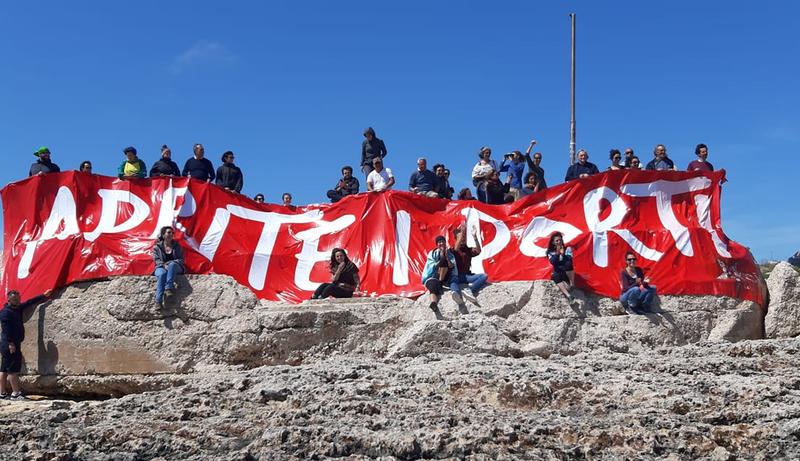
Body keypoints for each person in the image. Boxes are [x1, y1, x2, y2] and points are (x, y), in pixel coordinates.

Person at [0, 289, 54, 400]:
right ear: (9, 299)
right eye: (15, 299)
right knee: (12, 369)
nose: (17, 301)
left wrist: (43, 295)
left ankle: (2, 393)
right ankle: (15, 393)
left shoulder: (17, 308)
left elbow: (29, 302)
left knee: (4, 369)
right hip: (10, 344)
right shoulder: (5, 312)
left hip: (11, 343)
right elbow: (6, 329)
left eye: (18, 299)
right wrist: (11, 343)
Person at [421, 235, 460, 319]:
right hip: (433, 276)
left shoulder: (450, 254)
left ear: (445, 243)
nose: (441, 243)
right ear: (436, 244)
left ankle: (441, 282)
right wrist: (441, 256)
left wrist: (445, 256)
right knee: (432, 287)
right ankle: (433, 303)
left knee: (444, 262)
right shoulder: (432, 253)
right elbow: (432, 266)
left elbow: (451, 266)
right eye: (439, 242)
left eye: (443, 241)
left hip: (445, 277)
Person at [451, 224, 488, 303]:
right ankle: (456, 295)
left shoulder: (467, 249)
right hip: (456, 276)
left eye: (464, 237)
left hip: (466, 276)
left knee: (484, 276)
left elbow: (478, 251)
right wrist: (462, 233)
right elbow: (456, 249)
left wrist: (475, 237)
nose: (463, 239)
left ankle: (470, 289)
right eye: (461, 237)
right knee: (453, 281)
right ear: (456, 239)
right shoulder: (452, 249)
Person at [152, 226, 185, 307]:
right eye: (168, 232)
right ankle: (158, 301)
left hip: (175, 267)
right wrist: (163, 265)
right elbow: (157, 260)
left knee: (172, 265)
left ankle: (168, 288)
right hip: (160, 267)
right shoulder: (157, 247)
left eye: (172, 233)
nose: (171, 234)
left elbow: (181, 259)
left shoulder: (177, 246)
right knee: (162, 274)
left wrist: (169, 263)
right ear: (163, 235)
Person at [546, 232, 575, 301]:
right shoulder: (550, 252)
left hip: (567, 272)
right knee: (554, 275)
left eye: (560, 240)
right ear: (553, 243)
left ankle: (572, 284)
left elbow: (570, 259)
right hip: (559, 272)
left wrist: (563, 254)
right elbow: (553, 262)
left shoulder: (567, 249)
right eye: (557, 241)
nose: (559, 242)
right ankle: (568, 296)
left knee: (568, 263)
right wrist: (557, 253)